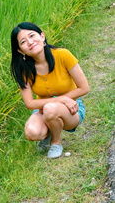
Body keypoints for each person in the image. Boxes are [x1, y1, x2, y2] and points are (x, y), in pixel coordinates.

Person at [10, 22, 90, 159]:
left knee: (51, 108)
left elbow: (84, 88)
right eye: (23, 42)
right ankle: (50, 131)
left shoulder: (63, 55)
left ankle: (56, 142)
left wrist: (63, 101)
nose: (30, 42)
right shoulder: (24, 69)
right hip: (43, 110)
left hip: (72, 109)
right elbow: (29, 103)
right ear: (20, 50)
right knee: (32, 132)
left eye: (32, 35)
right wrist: (62, 99)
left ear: (42, 36)